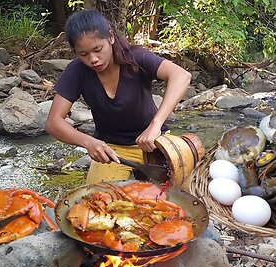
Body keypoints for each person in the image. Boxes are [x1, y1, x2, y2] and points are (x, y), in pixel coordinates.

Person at [45, 9, 191, 183]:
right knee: (95, 200)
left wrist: (155, 125)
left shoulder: (136, 58)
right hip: (111, 150)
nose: (93, 59)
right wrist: (89, 142)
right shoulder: (77, 72)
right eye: (83, 54)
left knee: (180, 196)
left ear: (111, 37)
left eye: (98, 49)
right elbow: (53, 122)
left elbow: (181, 76)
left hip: (155, 142)